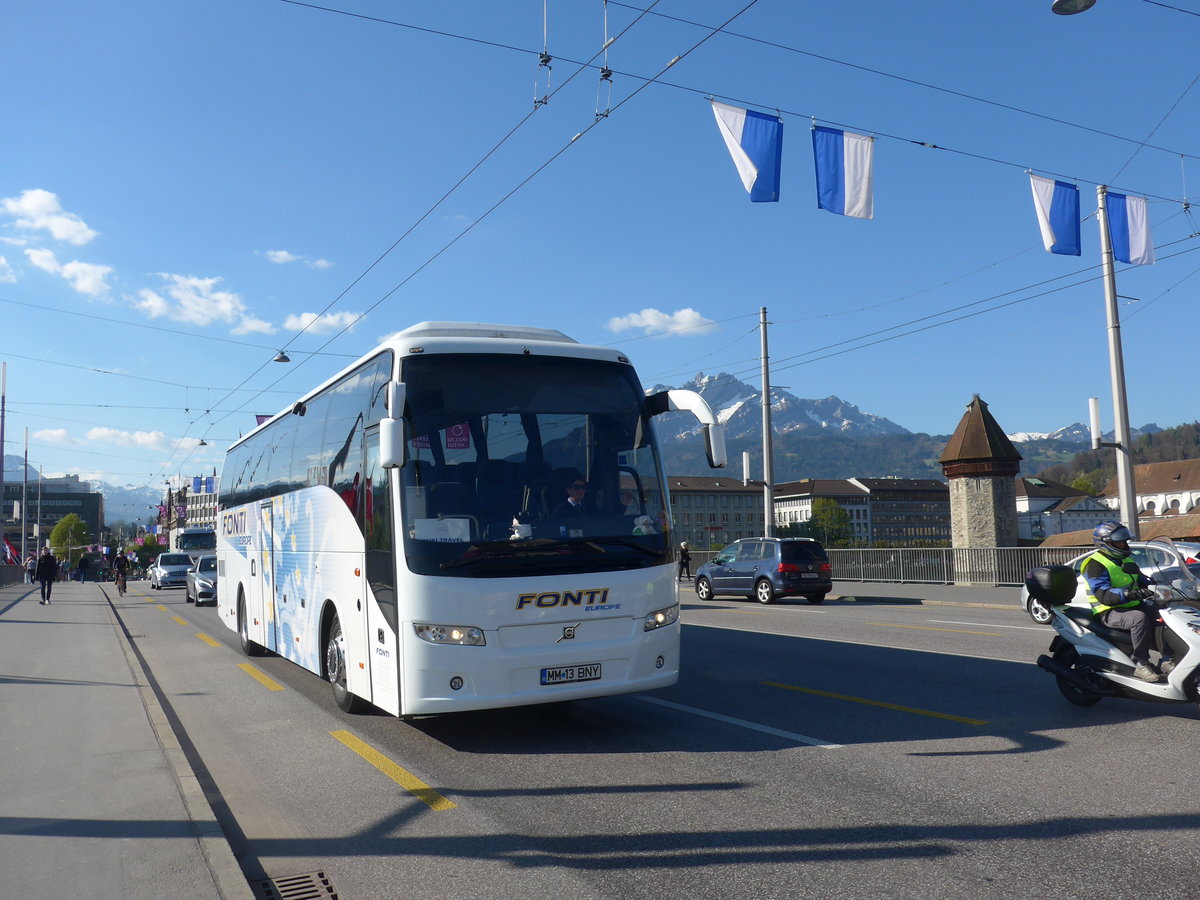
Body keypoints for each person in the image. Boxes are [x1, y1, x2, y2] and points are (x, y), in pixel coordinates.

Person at [1081, 521, 1171, 683]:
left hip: (1129, 606)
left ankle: (1167, 658)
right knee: (1138, 617)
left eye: (1124, 541)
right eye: (1119, 542)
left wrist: (1162, 585)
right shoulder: (1095, 564)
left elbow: (1143, 580)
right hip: (1107, 612)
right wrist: (1129, 594)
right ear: (1106, 543)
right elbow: (1103, 594)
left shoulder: (1127, 560)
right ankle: (1140, 663)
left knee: (1164, 613)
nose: (1123, 545)